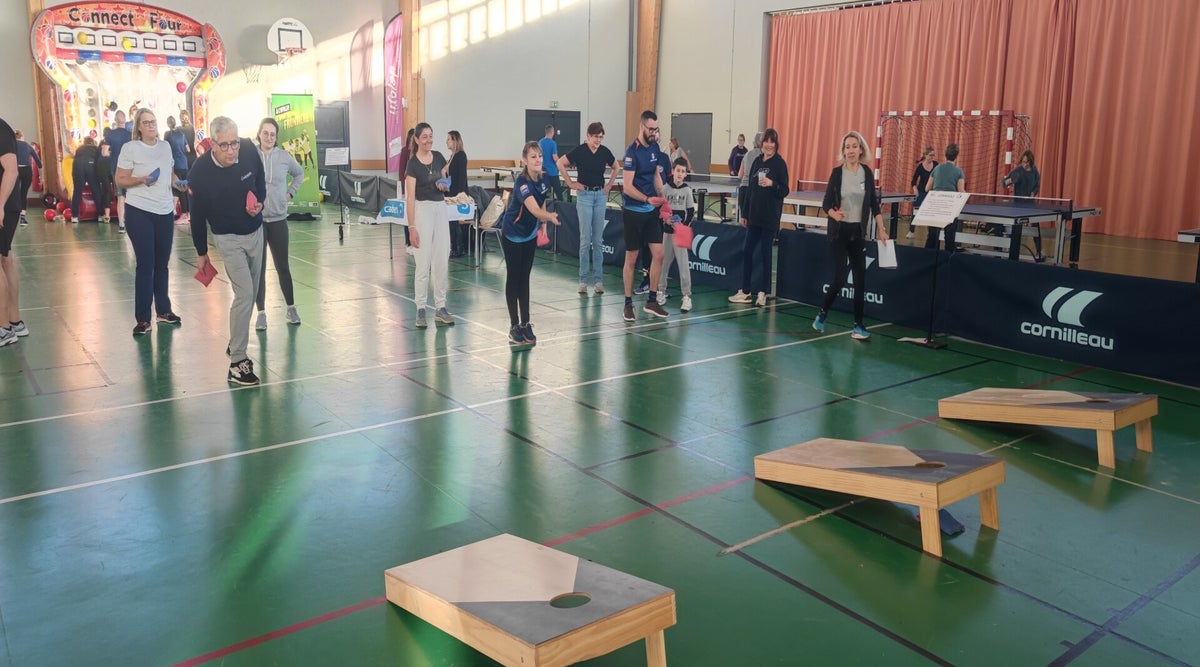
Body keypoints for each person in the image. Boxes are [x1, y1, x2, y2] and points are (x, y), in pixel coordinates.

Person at [188, 116, 267, 386]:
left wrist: (260, 202)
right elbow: (197, 216)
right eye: (225, 145)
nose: (232, 150)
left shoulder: (248, 149)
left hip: (255, 231)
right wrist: (201, 251)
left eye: (235, 143)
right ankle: (237, 362)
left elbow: (260, 179)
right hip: (227, 238)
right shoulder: (199, 173)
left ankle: (235, 341)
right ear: (212, 144)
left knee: (252, 293)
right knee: (244, 294)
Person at [813, 130, 890, 341]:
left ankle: (858, 326)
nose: (851, 150)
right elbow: (826, 204)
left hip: (858, 232)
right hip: (839, 232)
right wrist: (834, 215)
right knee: (839, 278)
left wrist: (882, 229)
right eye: (847, 147)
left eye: (854, 146)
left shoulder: (866, 173)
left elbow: (874, 205)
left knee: (860, 280)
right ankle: (822, 313)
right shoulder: (837, 174)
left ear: (861, 149)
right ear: (843, 151)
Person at [116, 108, 184, 336]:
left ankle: (163, 311)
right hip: (139, 212)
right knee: (146, 264)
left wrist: (177, 183)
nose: (151, 125)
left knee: (162, 264)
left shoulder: (165, 147)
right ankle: (143, 318)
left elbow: (170, 173)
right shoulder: (130, 148)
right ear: (138, 127)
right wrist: (141, 180)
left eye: (153, 121)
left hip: (164, 212)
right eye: (146, 122)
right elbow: (120, 179)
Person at [499, 142, 560, 346]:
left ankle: (525, 323)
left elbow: (541, 201)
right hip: (512, 234)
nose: (538, 159)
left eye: (539, 156)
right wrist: (549, 216)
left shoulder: (544, 179)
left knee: (524, 278)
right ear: (525, 160)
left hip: (529, 235)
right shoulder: (522, 184)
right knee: (514, 278)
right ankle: (514, 326)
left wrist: (543, 225)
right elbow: (534, 208)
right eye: (533, 156)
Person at [253, 117, 305, 330]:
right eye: (265, 133)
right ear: (259, 134)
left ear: (276, 138)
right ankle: (261, 314)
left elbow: (299, 174)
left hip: (278, 221)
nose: (268, 137)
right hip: (256, 222)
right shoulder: (251, 156)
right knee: (259, 269)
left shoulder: (284, 157)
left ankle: (291, 308)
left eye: (272, 134)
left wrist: (290, 193)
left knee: (283, 266)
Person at [729, 128, 788, 308]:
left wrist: (772, 184)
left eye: (772, 142)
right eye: (766, 142)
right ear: (762, 144)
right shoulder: (756, 161)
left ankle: (763, 292)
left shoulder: (780, 164)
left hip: (769, 217)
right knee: (747, 250)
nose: (769, 145)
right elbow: (750, 189)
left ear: (775, 144)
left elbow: (785, 190)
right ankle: (746, 291)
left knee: (765, 253)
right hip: (753, 216)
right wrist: (745, 213)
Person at [558, 121, 619, 295]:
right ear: (588, 136)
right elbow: (560, 163)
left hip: (600, 196)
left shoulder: (604, 151)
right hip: (584, 196)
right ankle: (583, 280)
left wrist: (609, 185)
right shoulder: (580, 151)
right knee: (585, 240)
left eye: (601, 137)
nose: (598, 140)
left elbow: (616, 166)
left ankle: (598, 280)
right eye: (595, 137)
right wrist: (570, 183)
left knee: (598, 241)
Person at [620, 110, 669, 322]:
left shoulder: (655, 148)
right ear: (642, 127)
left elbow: (656, 175)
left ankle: (652, 300)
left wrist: (663, 198)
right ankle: (627, 304)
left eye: (656, 129)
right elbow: (627, 187)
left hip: (651, 212)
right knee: (631, 257)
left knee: (659, 253)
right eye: (650, 129)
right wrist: (647, 199)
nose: (653, 133)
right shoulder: (631, 152)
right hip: (633, 212)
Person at [405, 121, 454, 328]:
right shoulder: (412, 165)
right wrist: (412, 227)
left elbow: (446, 181)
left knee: (441, 259)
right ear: (416, 140)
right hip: (422, 210)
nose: (428, 140)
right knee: (423, 264)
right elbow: (410, 198)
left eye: (431, 136)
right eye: (424, 137)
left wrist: (445, 185)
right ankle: (421, 308)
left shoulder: (440, 157)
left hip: (440, 209)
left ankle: (441, 307)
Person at [0, 118, 26, 346]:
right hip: (5, 206)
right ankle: (14, 321)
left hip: (4, 206)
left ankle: (3, 329)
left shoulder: (0, 128)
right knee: (5, 258)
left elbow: (11, 170)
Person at [658, 158, 695, 313]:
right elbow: (661, 210)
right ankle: (660, 291)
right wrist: (666, 220)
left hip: (679, 236)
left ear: (685, 174)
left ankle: (686, 296)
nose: (680, 174)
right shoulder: (665, 189)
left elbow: (691, 212)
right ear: (672, 171)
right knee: (663, 264)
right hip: (667, 234)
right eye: (677, 170)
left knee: (683, 266)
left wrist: (682, 227)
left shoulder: (687, 191)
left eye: (683, 171)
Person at [924, 142, 965, 252]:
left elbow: (927, 188)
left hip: (935, 206)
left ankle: (929, 257)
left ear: (945, 154)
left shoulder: (937, 168)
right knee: (949, 238)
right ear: (956, 156)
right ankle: (948, 258)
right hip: (949, 208)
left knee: (932, 236)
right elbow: (961, 191)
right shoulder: (959, 171)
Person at [1003, 149, 1044, 259]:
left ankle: (1039, 251)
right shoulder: (1017, 171)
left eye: (1027, 162)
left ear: (1031, 162)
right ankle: (1012, 250)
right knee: (1016, 227)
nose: (1025, 164)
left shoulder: (1034, 171)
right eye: (1023, 162)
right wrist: (1009, 181)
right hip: (1018, 205)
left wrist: (1033, 193)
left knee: (1035, 227)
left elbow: (1037, 185)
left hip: (1030, 205)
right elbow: (1004, 183)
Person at [443, 130, 470, 258]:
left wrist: (458, 195)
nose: (447, 141)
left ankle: (459, 248)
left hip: (457, 194)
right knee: (451, 222)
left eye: (449, 139)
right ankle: (453, 246)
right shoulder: (452, 156)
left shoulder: (460, 156)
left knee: (455, 221)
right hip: (451, 193)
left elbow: (461, 178)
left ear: (455, 141)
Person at [70, 137, 102, 221]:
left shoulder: (79, 148)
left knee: (77, 192)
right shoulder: (95, 148)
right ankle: (101, 215)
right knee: (96, 190)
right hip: (90, 165)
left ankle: (74, 216)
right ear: (92, 142)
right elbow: (100, 161)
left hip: (77, 166)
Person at [164, 116, 189, 221]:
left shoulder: (167, 135)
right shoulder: (181, 134)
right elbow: (187, 149)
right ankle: (186, 213)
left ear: (168, 124)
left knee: (179, 189)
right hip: (184, 164)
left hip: (175, 165)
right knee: (184, 189)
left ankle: (184, 213)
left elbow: (165, 149)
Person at [908, 146, 937, 239]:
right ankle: (911, 231)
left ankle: (930, 233)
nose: (932, 157)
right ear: (925, 155)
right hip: (921, 192)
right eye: (930, 155)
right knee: (915, 212)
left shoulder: (936, 165)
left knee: (931, 213)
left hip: (932, 193)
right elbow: (913, 181)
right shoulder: (920, 167)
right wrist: (915, 189)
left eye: (933, 155)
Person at [13, 130, 41, 225]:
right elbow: (38, 161)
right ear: (22, 137)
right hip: (27, 171)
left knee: (13, 193)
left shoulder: (12, 145)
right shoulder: (27, 146)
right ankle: (22, 218)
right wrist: (41, 172)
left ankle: (11, 216)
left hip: (15, 170)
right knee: (23, 193)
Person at [736, 132, 763, 227]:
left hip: (743, 188)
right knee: (754, 222)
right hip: (755, 190)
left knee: (744, 221)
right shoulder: (763, 155)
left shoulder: (747, 154)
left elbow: (740, 175)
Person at [538, 124, 564, 202]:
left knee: (542, 193)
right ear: (552, 132)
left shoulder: (540, 143)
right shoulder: (553, 143)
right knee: (559, 193)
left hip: (542, 172)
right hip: (552, 172)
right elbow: (555, 157)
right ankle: (560, 207)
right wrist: (562, 163)